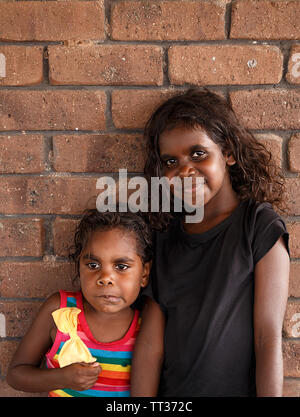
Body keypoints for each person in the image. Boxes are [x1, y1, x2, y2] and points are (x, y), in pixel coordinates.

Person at [130, 88, 290, 397]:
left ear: (228, 152)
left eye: (198, 153)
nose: (184, 170)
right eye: (170, 161)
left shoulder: (258, 225)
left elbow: (267, 336)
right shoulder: (165, 236)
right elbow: (150, 346)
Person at [7, 209, 152, 397]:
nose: (106, 278)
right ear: (79, 267)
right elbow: (16, 375)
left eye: (121, 266)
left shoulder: (146, 326)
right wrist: (62, 377)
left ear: (144, 274)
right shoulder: (60, 310)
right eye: (93, 265)